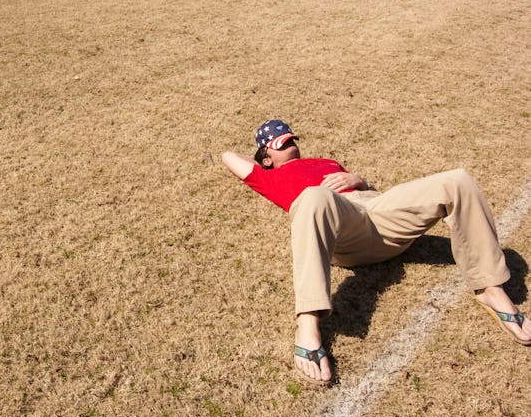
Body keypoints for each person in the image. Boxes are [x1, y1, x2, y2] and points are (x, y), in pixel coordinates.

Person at [221, 119, 531, 383]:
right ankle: (308, 324)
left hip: (378, 211)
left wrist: (360, 179)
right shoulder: (269, 176)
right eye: (281, 142)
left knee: (457, 180)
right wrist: (263, 156)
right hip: (343, 228)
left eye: (291, 138)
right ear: (266, 157)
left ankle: (490, 286)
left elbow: (372, 193)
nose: (290, 143)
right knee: (314, 196)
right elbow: (228, 156)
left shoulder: (327, 162)